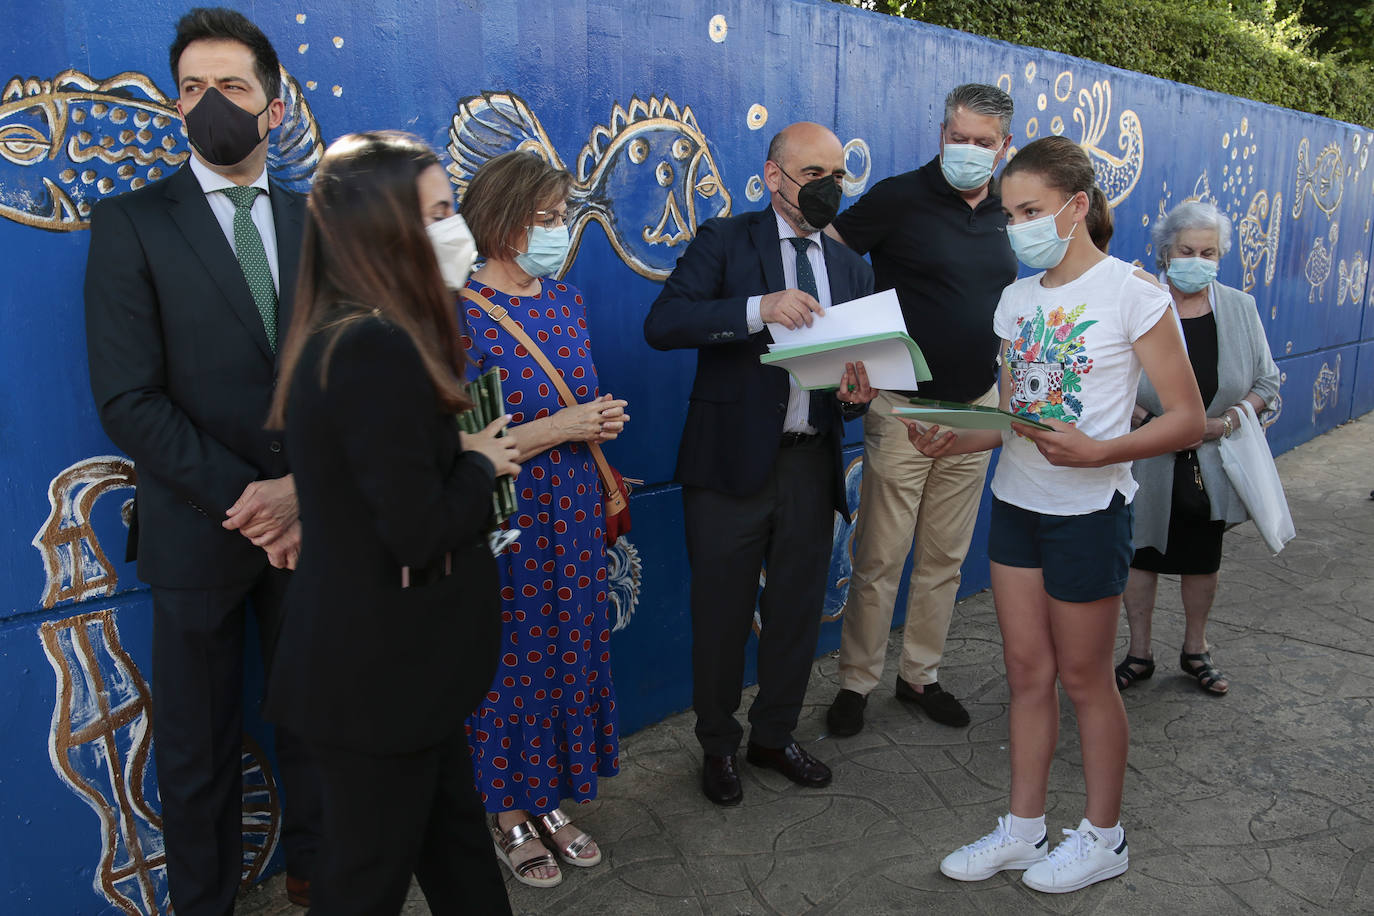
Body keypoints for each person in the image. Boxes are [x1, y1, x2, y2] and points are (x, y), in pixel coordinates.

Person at [908, 136, 1204, 893]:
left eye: (1031, 210)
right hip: (1017, 503)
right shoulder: (1017, 300)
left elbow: (1187, 419)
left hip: (1089, 510)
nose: (1018, 227)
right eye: (1010, 214)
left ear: (1077, 207)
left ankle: (1105, 837)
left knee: (1084, 678)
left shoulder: (1134, 293)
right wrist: (947, 438)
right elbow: (1010, 417)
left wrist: (1103, 453)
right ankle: (1024, 828)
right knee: (1024, 671)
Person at [83, 8, 321, 910]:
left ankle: (319, 876)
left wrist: (305, 491)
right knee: (196, 749)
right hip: (197, 530)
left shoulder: (319, 222)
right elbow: (127, 399)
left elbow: (348, 375)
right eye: (190, 88)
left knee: (319, 725)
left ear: (273, 103)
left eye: (229, 86)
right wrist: (258, 500)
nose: (208, 102)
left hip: (315, 523)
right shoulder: (132, 224)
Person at [262, 131, 518, 915]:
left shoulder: (348, 332)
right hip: (381, 678)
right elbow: (416, 528)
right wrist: (480, 463)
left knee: (458, 850)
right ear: (384, 225)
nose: (456, 227)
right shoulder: (374, 346)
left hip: (404, 675)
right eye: (439, 209)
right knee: (363, 882)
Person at [644, 122, 877, 807]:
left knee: (799, 611)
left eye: (840, 175)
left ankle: (774, 737)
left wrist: (857, 395)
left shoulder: (852, 267)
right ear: (774, 176)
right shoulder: (725, 241)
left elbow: (856, 374)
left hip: (811, 463)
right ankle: (718, 746)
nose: (830, 188)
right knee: (719, 617)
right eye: (815, 175)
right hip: (727, 467)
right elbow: (665, 324)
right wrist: (757, 309)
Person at [825, 83, 1019, 735]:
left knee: (944, 558)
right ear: (941, 134)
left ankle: (920, 676)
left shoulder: (1016, 210)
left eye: (982, 143)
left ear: (1005, 148)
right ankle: (856, 682)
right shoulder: (898, 197)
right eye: (957, 137)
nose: (967, 151)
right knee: (879, 556)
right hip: (901, 407)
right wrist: (850, 351)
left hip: (977, 408)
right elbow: (826, 258)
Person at [456, 151, 626, 888]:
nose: (559, 232)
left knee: (572, 651)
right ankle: (507, 814)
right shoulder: (459, 313)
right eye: (546, 219)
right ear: (499, 219)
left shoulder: (565, 301)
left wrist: (594, 431)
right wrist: (568, 425)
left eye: (563, 218)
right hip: (509, 521)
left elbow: (573, 405)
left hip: (577, 515)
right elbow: (469, 445)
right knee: (510, 663)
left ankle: (550, 799)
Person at [1115, 201, 1281, 695]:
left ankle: (1196, 650)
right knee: (1140, 555)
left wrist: (1225, 421)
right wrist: (1141, 418)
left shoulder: (1240, 308)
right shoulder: (1137, 301)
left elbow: (1266, 383)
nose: (1197, 260)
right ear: (1165, 253)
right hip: (1146, 457)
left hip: (1211, 461)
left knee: (1202, 558)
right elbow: (1104, 376)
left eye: (1208, 252)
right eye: (1187, 250)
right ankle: (1138, 652)